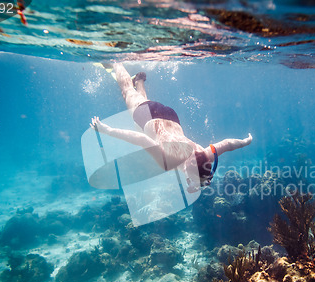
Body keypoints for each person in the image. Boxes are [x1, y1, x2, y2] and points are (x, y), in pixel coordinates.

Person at [90, 63, 252, 193]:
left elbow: (228, 144)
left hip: (170, 117)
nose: (189, 181)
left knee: (140, 99)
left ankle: (139, 80)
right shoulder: (169, 159)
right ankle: (116, 61)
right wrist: (107, 131)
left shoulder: (205, 154)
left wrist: (245, 142)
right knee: (127, 92)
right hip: (148, 118)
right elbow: (140, 139)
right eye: (190, 179)